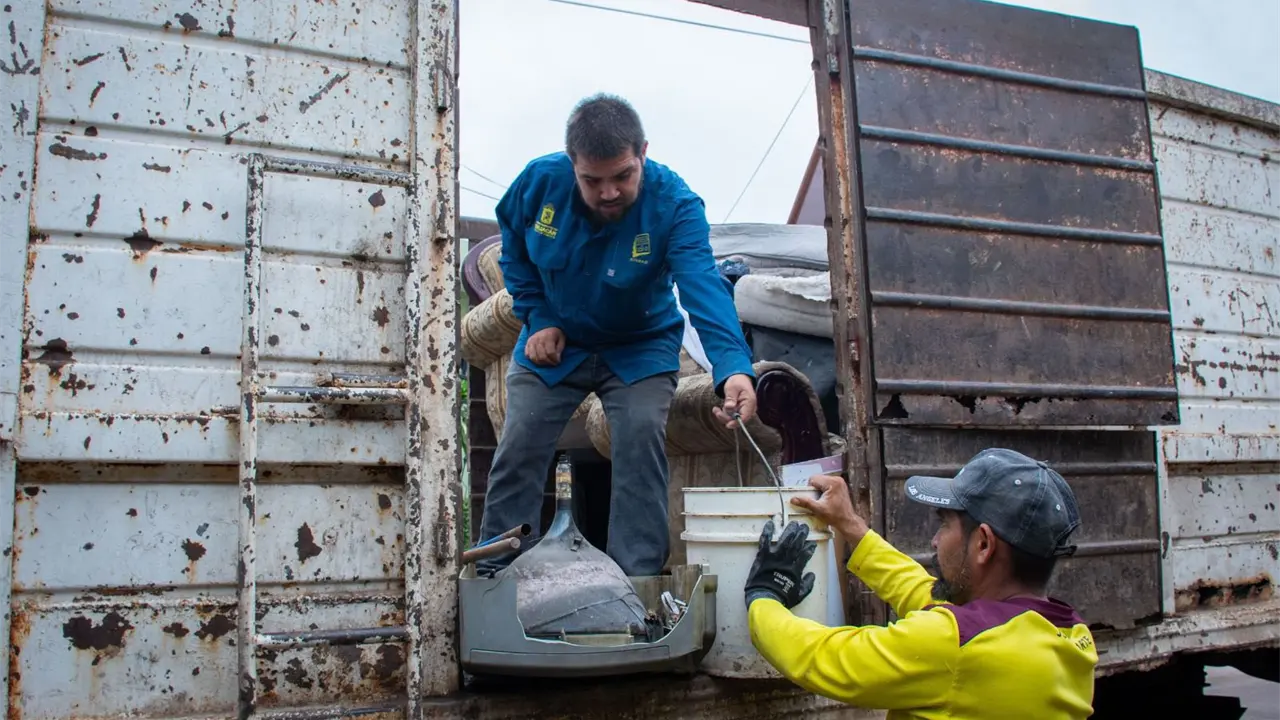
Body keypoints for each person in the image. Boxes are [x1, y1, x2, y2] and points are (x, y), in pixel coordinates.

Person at [476, 93, 757, 577]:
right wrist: (538, 316)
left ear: (643, 153)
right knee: (519, 445)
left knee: (640, 442)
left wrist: (733, 368)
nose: (608, 192)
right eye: (592, 180)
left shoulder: (677, 205)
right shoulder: (537, 183)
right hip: (555, 343)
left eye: (623, 175)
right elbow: (515, 252)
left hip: (640, 344)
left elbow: (702, 288)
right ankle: (494, 578)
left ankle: (637, 586)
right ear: (572, 165)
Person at [743, 448, 1097, 719]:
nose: (934, 541)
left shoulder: (954, 647)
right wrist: (851, 526)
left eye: (944, 525)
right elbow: (924, 595)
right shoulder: (1071, 636)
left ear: (983, 544)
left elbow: (824, 658)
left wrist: (763, 598)